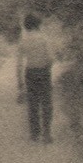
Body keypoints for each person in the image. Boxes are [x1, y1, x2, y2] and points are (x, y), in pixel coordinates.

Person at [16, 13, 55, 143]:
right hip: (43, 71)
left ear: (26, 26)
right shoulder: (44, 39)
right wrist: (47, 67)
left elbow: (19, 64)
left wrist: (20, 83)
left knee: (32, 104)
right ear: (38, 24)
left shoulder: (23, 41)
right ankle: (47, 133)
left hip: (30, 73)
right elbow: (51, 58)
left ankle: (35, 133)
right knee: (46, 103)